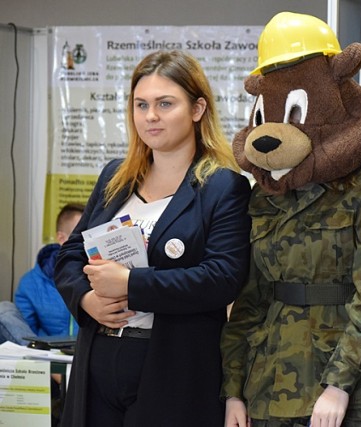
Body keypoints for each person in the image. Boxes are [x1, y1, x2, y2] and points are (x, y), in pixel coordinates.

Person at [54, 49, 251, 427]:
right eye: (141, 104)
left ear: (197, 110)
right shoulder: (116, 177)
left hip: (172, 367)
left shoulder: (223, 186)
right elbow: (69, 255)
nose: (151, 116)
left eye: (165, 103)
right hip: (98, 358)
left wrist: (130, 284)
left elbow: (223, 279)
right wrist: (86, 299)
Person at [221, 12, 361, 427]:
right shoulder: (265, 196)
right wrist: (233, 390)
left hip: (342, 390)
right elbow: (249, 300)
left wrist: (338, 385)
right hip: (268, 382)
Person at [0, 203, 83, 345]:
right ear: (62, 238)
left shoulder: (103, 274)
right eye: (81, 235)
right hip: (45, 352)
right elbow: (25, 332)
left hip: (88, 354)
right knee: (4, 309)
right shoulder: (31, 283)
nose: (88, 241)